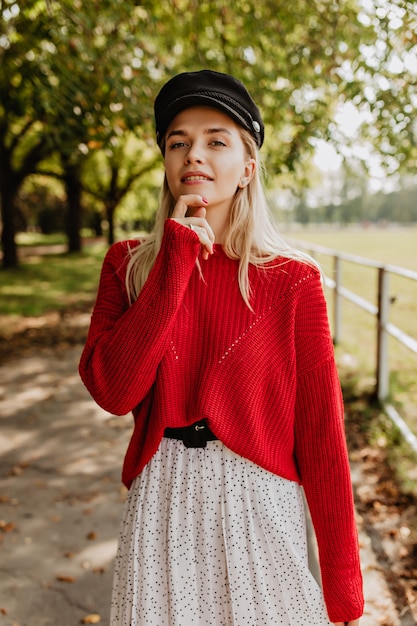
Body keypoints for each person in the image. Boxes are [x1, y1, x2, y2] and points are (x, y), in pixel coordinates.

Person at [79, 69, 364, 626]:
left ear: (247, 168)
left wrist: (344, 583)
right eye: (178, 142)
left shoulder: (291, 280)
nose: (194, 156)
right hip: (161, 508)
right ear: (165, 161)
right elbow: (113, 390)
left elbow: (322, 434)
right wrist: (175, 262)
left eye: (216, 140)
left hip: (261, 509)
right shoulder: (128, 266)